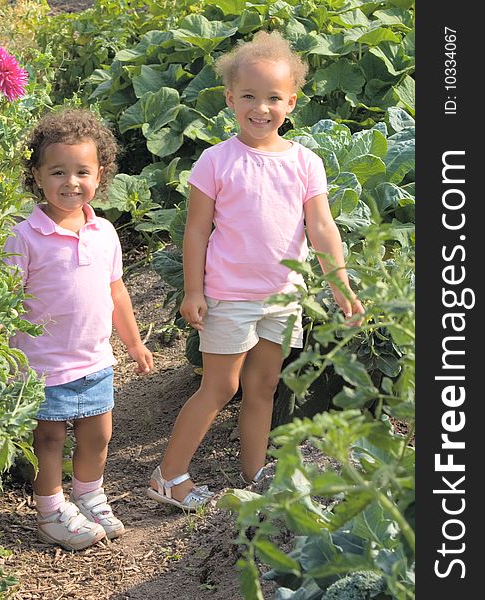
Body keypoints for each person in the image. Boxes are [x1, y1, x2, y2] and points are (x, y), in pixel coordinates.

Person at [146, 31, 364, 511]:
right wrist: (192, 290)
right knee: (220, 386)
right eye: (248, 96)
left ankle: (256, 475)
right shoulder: (215, 161)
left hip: (284, 297)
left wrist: (340, 283)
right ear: (229, 98)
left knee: (263, 386)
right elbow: (196, 233)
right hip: (229, 295)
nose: (260, 108)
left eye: (272, 98)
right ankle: (169, 475)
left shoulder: (306, 162)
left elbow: (322, 228)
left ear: (292, 101)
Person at [5, 108, 154, 550]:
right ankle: (50, 509)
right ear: (36, 175)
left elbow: (117, 293)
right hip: (40, 363)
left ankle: (89, 496)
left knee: (98, 433)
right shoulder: (25, 236)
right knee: (48, 438)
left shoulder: (104, 231)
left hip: (94, 359)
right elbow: (6, 302)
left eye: (82, 171)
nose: (71, 182)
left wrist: (134, 342)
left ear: (101, 174)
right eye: (58, 171)